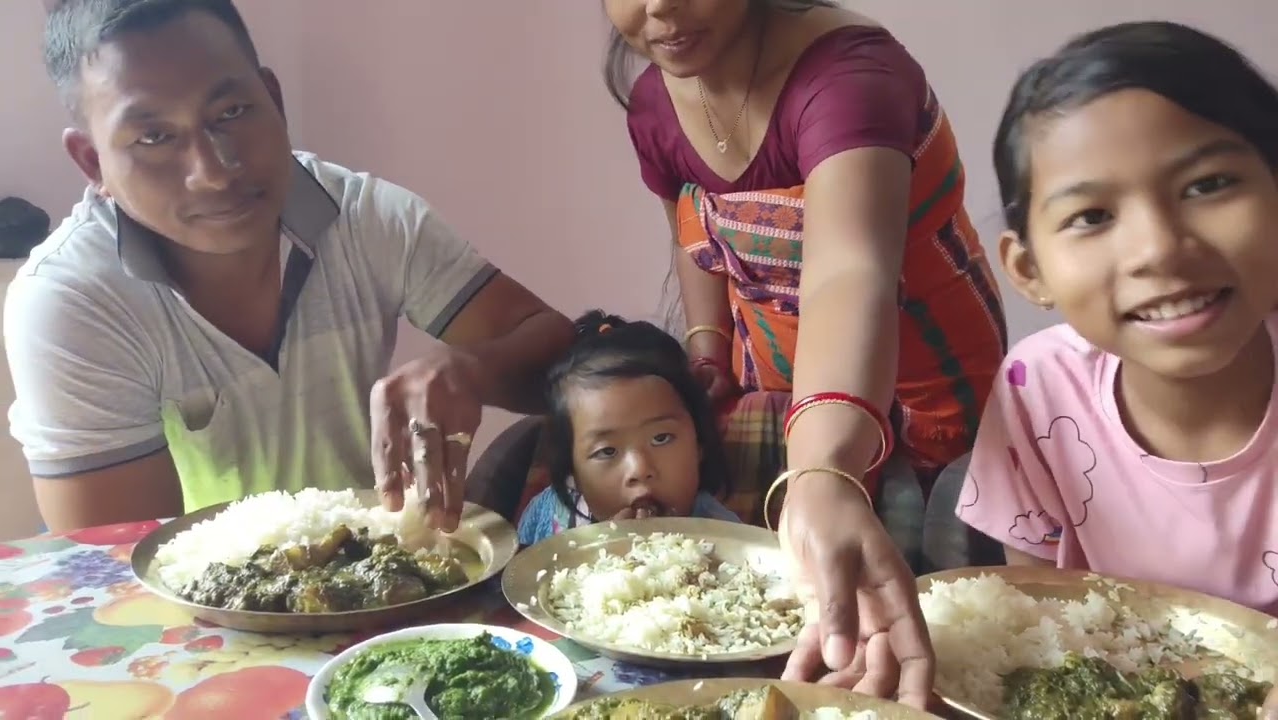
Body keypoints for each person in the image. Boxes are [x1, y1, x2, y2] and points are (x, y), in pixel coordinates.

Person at [12, 0, 573, 533]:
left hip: (369, 580)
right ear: (92, 162)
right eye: (154, 137)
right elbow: (124, 565)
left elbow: (563, 355)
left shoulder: (366, 217)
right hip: (197, 620)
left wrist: (472, 368)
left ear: (275, 101)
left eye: (230, 112)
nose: (213, 170)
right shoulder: (72, 301)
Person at [600, 0, 1009, 704]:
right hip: (783, 378)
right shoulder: (652, 99)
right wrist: (708, 350)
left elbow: (850, 272)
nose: (658, 6)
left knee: (937, 573)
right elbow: (690, 227)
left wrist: (820, 471)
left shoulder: (852, 76)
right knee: (816, 599)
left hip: (929, 376)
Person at [957, 22, 1278, 715]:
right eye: (1093, 215)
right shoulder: (1035, 390)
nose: (1159, 248)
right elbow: (1038, 631)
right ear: (1029, 268)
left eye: (1209, 184)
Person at [516, 311, 739, 545]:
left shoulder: (725, 537)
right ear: (573, 472)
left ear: (699, 443)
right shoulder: (547, 516)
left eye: (661, 438)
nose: (640, 470)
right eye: (607, 451)